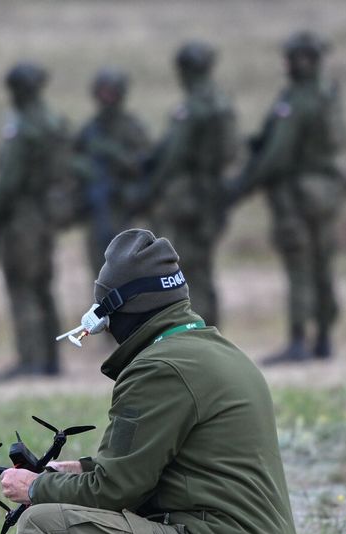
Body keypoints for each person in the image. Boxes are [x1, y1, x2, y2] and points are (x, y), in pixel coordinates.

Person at [1, 229, 322, 534]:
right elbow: (163, 464)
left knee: (41, 529)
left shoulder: (158, 368)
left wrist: (37, 488)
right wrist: (78, 468)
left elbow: (114, 489)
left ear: (116, 308)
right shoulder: (218, 354)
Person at [227, 32, 346, 363]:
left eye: (292, 58)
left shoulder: (297, 101)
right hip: (325, 193)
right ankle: (324, 338)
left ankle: (298, 340)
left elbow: (276, 156)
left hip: (296, 196)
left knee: (299, 266)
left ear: (304, 59)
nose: (286, 64)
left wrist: (242, 185)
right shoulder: (327, 94)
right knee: (323, 264)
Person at [130, 41, 238, 328]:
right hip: (213, 191)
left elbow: (174, 156)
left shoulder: (193, 107)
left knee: (187, 267)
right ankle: (212, 332)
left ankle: (198, 334)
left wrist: (149, 190)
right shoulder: (221, 101)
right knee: (203, 265)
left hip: (190, 197)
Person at [0, 61, 71, 383]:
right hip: (47, 212)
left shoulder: (23, 127)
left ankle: (30, 359)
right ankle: (52, 359)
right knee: (44, 285)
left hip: (23, 216)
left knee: (22, 285)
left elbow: (9, 180)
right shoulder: (52, 122)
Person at [73, 67, 152, 284]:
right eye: (102, 92)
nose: (105, 98)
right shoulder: (90, 129)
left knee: (125, 275)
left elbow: (144, 166)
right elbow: (71, 159)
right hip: (97, 212)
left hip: (122, 211)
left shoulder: (132, 128)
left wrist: (114, 153)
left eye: (111, 93)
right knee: (99, 276)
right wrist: (83, 168)